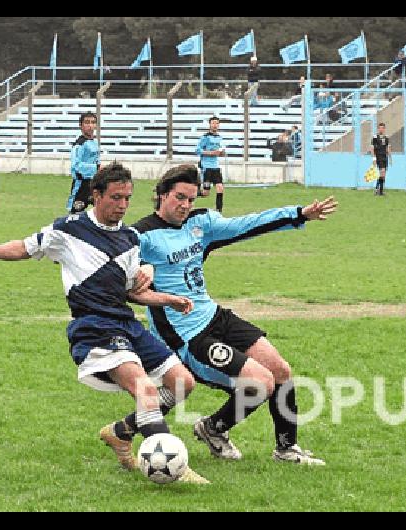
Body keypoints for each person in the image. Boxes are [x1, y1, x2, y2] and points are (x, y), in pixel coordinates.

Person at [0, 162, 209, 484]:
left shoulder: (131, 238)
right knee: (145, 389)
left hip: (126, 323)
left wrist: (168, 299)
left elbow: (132, 292)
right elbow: (24, 247)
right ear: (96, 195)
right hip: (93, 327)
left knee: (182, 383)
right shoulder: (69, 229)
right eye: (115, 197)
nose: (122, 206)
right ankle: (174, 464)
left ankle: (121, 432)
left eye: (127, 199)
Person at [105, 164, 337, 467]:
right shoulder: (142, 236)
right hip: (187, 336)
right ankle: (214, 428)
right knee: (261, 383)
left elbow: (247, 225)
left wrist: (298, 215)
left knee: (280, 370)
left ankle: (286, 448)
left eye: (190, 199)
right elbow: (111, 267)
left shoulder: (202, 223)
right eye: (179, 197)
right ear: (161, 195)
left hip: (215, 316)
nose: (185, 205)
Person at [67, 112, 100, 214]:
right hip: (81, 185)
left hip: (94, 184)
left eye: (93, 122)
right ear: (80, 126)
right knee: (75, 215)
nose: (90, 126)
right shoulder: (79, 145)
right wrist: (96, 168)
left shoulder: (94, 142)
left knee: (101, 213)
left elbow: (96, 159)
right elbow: (76, 166)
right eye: (87, 122)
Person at [195, 115, 226, 213]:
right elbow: (197, 150)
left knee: (220, 188)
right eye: (213, 123)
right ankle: (191, 193)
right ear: (210, 125)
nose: (215, 125)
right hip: (206, 167)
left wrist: (221, 153)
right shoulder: (205, 137)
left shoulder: (220, 138)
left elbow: (221, 151)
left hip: (215, 166)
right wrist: (211, 153)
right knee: (205, 193)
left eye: (217, 123)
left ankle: (219, 211)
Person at [370, 122, 392, 196]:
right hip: (378, 157)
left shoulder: (386, 137)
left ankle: (380, 191)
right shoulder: (375, 137)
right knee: (382, 172)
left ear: (384, 129)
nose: (381, 129)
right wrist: (373, 158)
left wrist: (390, 157)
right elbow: (372, 149)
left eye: (382, 128)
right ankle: (378, 190)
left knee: (383, 175)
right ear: (378, 128)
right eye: (380, 128)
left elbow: (387, 148)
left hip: (384, 158)